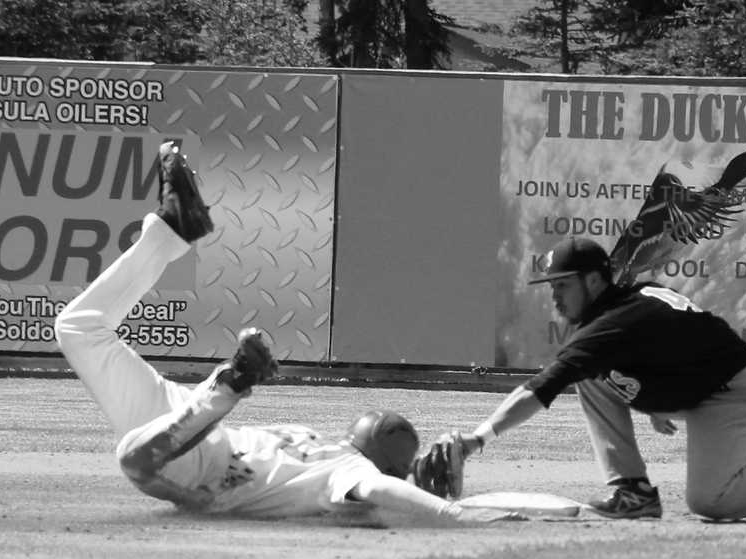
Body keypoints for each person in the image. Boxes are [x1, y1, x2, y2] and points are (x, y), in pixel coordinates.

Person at [54, 142, 514, 524]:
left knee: (79, 328)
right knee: (134, 458)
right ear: (390, 464)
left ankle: (169, 236)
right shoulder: (350, 470)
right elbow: (378, 489)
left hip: (203, 434)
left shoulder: (322, 441)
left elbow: (378, 485)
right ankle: (229, 384)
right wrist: (452, 513)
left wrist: (415, 480)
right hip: (197, 457)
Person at [450, 236, 746, 523]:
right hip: (703, 385)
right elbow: (683, 342)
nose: (555, 296)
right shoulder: (627, 306)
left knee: (710, 501)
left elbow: (541, 388)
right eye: (552, 287)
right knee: (591, 375)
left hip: (737, 393)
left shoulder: (617, 321)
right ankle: (634, 491)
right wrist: (655, 396)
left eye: (562, 285)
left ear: (595, 282)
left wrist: (477, 438)